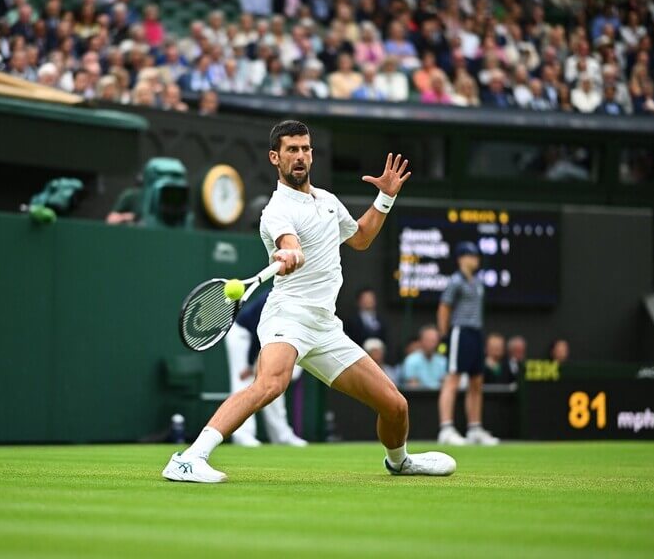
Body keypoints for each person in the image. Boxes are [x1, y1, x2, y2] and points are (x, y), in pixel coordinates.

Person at [163, 120, 455, 482]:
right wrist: (290, 252)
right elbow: (288, 241)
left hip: (325, 326)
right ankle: (189, 458)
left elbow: (361, 239)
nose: (299, 156)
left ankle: (399, 461)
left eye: (304, 149)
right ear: (275, 157)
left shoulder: (328, 202)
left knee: (395, 406)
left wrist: (386, 197)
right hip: (288, 315)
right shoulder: (276, 211)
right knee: (271, 384)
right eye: (291, 150)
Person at [224, 290, 307, 447]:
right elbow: (257, 332)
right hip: (242, 336)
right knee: (244, 382)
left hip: (265, 340)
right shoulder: (272, 299)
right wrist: (250, 365)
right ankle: (243, 435)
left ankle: (281, 436)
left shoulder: (298, 301)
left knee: (273, 382)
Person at [436, 242, 499, 446]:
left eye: (476, 255)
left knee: (476, 381)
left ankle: (474, 429)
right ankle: (446, 428)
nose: (476, 259)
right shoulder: (455, 281)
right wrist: (445, 336)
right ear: (461, 259)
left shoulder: (478, 283)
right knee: (452, 379)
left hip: (476, 333)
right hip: (459, 332)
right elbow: (444, 309)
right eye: (471, 255)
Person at [401, 325, 447, 389]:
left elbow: (445, 383)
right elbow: (412, 385)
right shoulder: (411, 360)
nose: (431, 343)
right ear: (421, 341)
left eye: (433, 340)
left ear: (438, 342)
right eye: (427, 339)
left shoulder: (443, 361)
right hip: (418, 397)